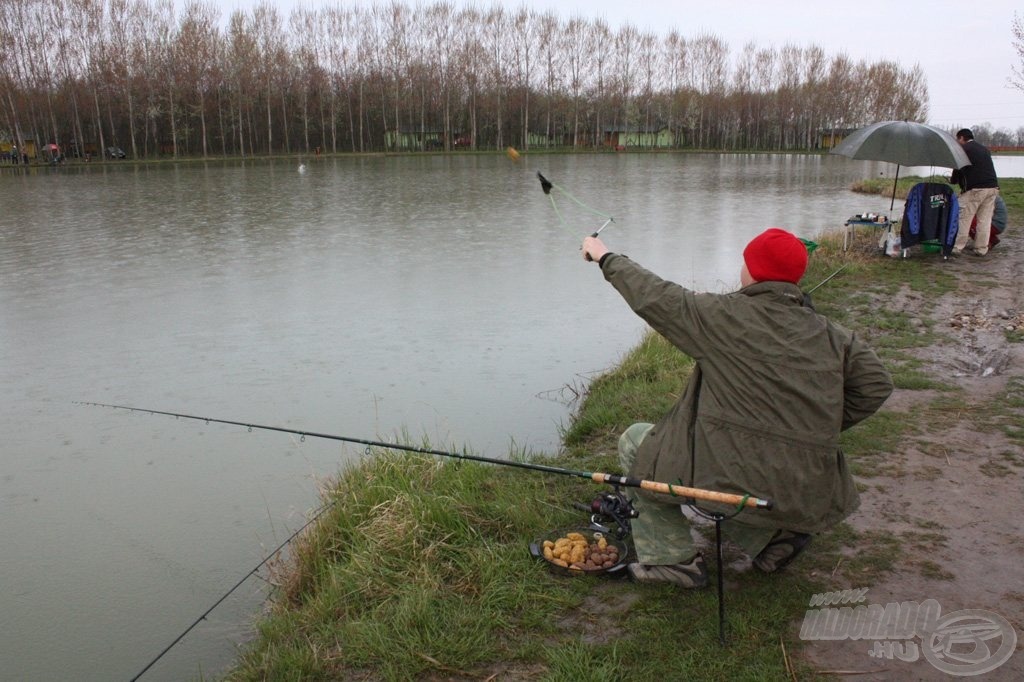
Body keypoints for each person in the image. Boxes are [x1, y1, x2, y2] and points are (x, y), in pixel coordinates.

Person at [580, 228, 894, 587]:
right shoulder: (833, 334)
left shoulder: (720, 315)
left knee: (637, 441)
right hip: (804, 488)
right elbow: (876, 385)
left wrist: (605, 256)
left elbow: (654, 296)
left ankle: (673, 561)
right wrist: (816, 426)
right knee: (740, 465)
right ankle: (773, 541)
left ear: (752, 272)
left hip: (737, 473)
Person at [950, 129, 1000, 257]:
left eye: (958, 139)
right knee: (984, 220)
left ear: (962, 138)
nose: (957, 142)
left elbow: (958, 168)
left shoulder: (964, 149)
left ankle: (957, 247)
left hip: (977, 189)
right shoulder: (983, 149)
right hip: (993, 187)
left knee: (964, 218)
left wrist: (954, 180)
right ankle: (981, 248)